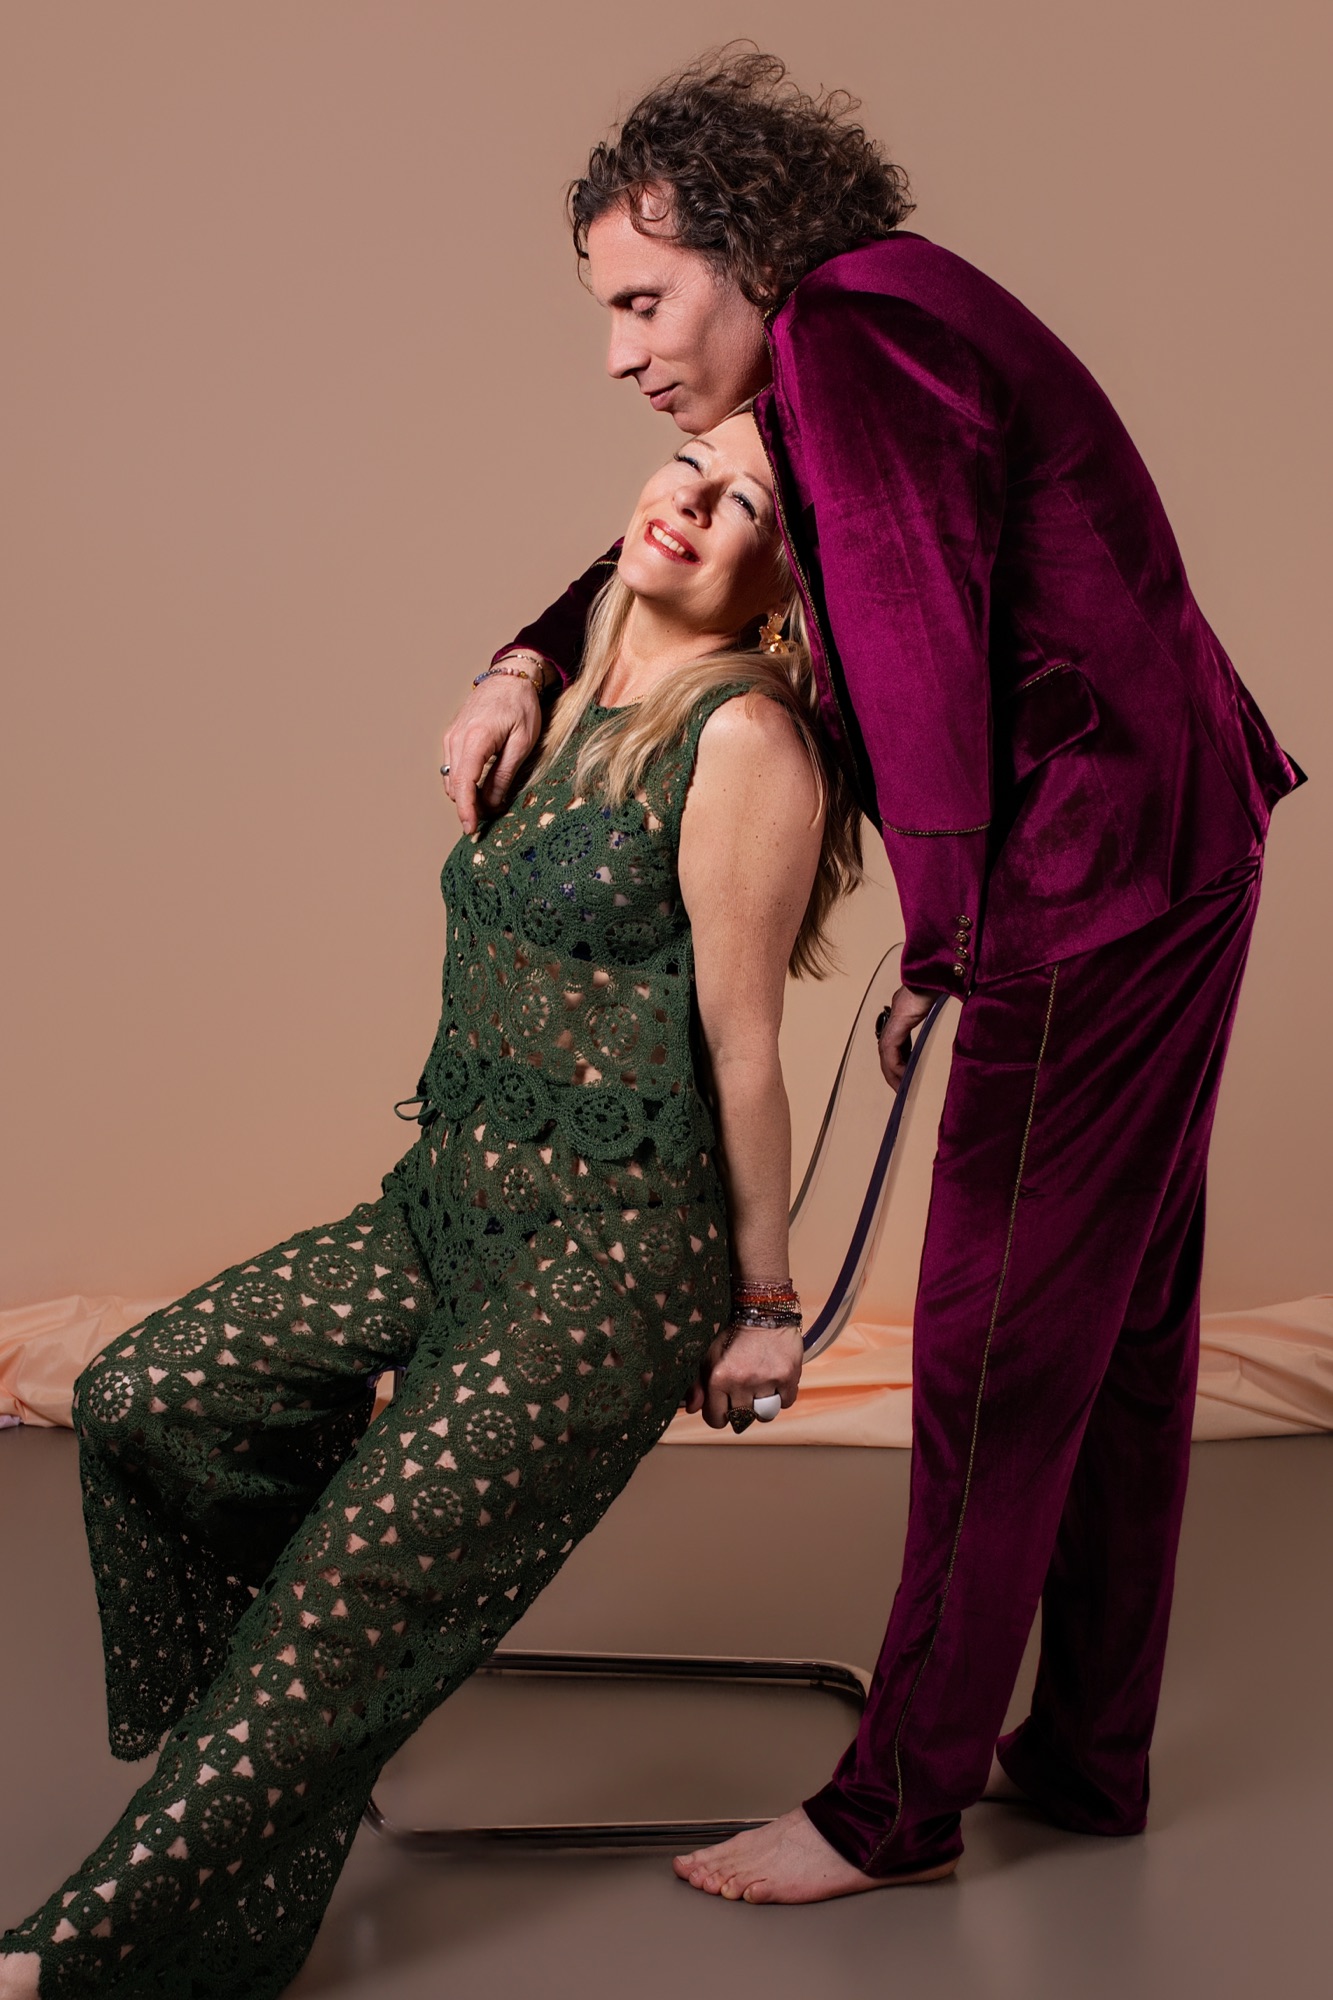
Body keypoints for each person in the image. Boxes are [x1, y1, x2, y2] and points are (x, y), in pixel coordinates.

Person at [438, 50, 1305, 1904]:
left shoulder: (858, 339)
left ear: (745, 251)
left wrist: (953, 939)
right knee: (1121, 1334)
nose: (621, 354)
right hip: (1168, 834)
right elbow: (665, 526)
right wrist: (524, 654)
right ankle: (1084, 1758)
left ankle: (891, 1807)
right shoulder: (855, 321)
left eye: (640, 300)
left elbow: (908, 635)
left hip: (1091, 874)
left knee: (993, 1355)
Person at [0, 411, 863, 1999]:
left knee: (342, 1590)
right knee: (139, 1396)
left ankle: (87, 1952)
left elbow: (748, 1051)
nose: (697, 506)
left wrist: (762, 1302)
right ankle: (275, 1732)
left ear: (784, 586)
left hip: (606, 1254)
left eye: (750, 506)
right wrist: (514, 665)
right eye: (693, 470)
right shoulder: (569, 685)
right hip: (441, 1201)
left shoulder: (739, 737)